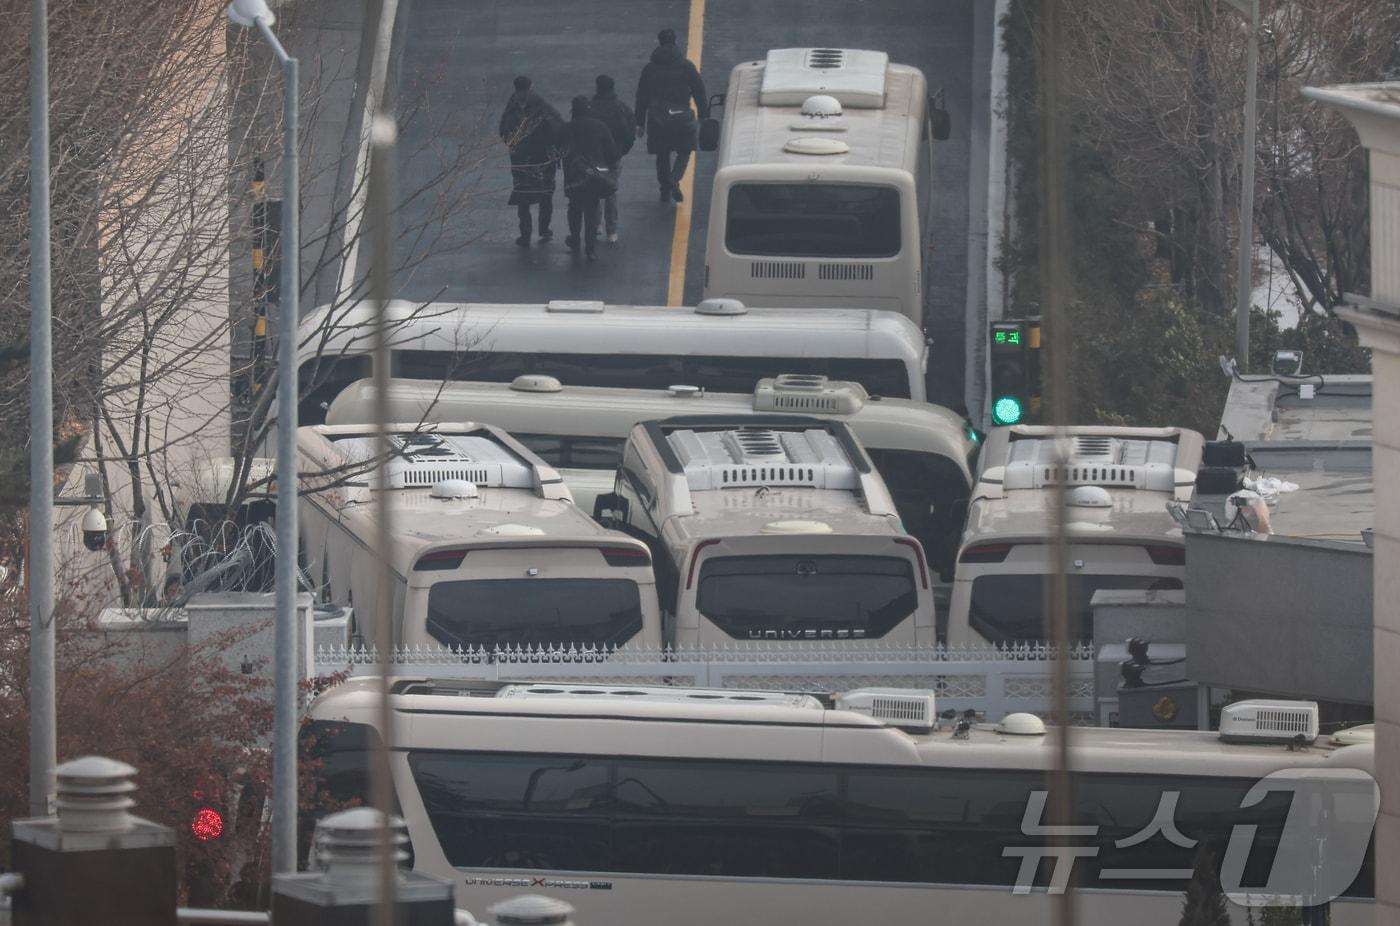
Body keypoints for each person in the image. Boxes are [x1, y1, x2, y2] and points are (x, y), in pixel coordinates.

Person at [634, 28, 707, 203]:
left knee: (662, 154)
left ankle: (664, 189)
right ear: (675, 42)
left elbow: (641, 95)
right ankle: (674, 179)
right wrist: (703, 115)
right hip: (681, 115)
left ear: (659, 42)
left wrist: (640, 122)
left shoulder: (650, 68)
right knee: (685, 150)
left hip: (657, 117)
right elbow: (699, 90)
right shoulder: (686, 66)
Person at [498, 75, 564, 247]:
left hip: (521, 159)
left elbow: (503, 131)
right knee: (546, 193)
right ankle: (544, 229)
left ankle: (525, 234)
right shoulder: (542, 105)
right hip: (543, 158)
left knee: (523, 195)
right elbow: (559, 126)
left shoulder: (511, 107)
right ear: (531, 86)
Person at [559, 95, 620, 261]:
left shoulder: (567, 128)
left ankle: (575, 239)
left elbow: (559, 149)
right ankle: (590, 248)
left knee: (574, 208)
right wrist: (611, 167)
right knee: (591, 210)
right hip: (594, 175)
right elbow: (612, 151)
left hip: (573, 175)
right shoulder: (599, 126)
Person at [589, 74, 635, 243]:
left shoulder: (589, 108)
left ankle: (594, 225)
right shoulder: (621, 108)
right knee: (610, 191)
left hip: (593, 156)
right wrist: (621, 151)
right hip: (614, 156)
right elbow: (630, 133)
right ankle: (612, 230)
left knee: (593, 189)